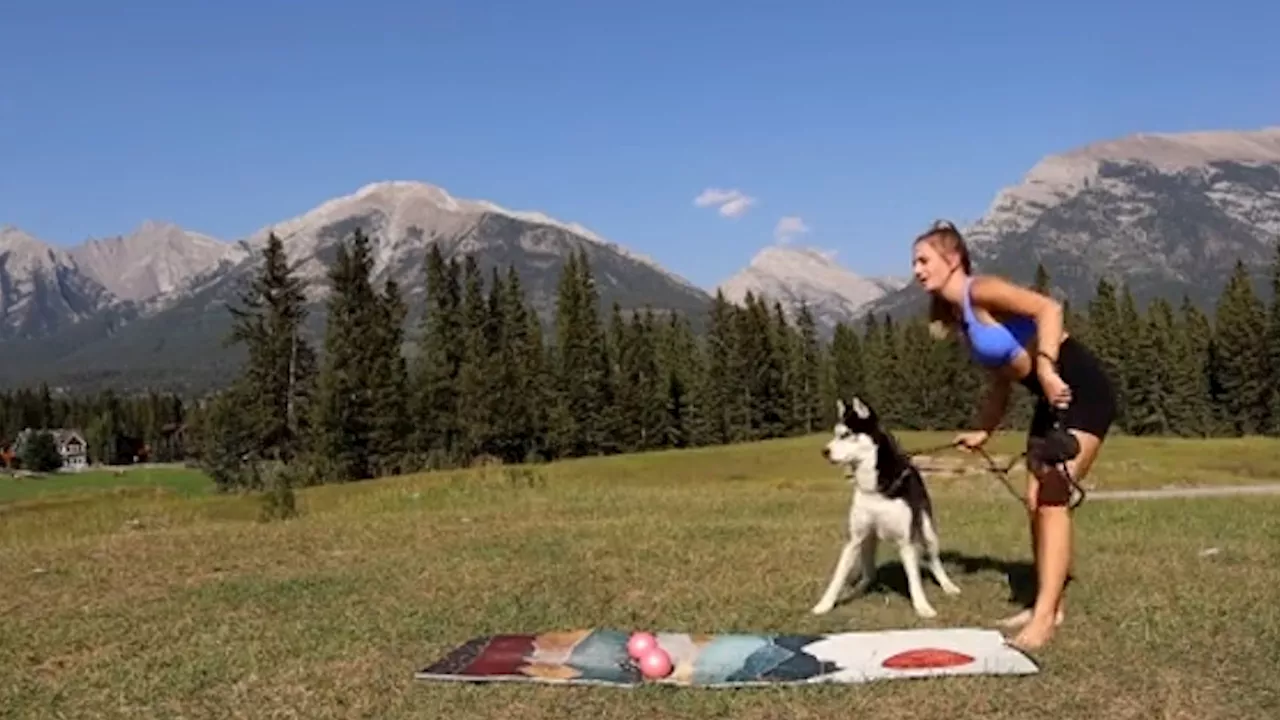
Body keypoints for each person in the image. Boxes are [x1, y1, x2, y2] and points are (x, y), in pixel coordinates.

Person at [910, 219, 1117, 651]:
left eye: (924, 259)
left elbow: (1049, 309)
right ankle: (1048, 602)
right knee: (1034, 501)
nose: (916, 269)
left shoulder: (980, 290)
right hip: (1048, 399)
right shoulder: (961, 317)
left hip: (1077, 386)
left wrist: (1044, 366)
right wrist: (983, 430)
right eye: (914, 262)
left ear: (953, 260)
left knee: (1054, 497)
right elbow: (1002, 381)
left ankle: (1044, 619)